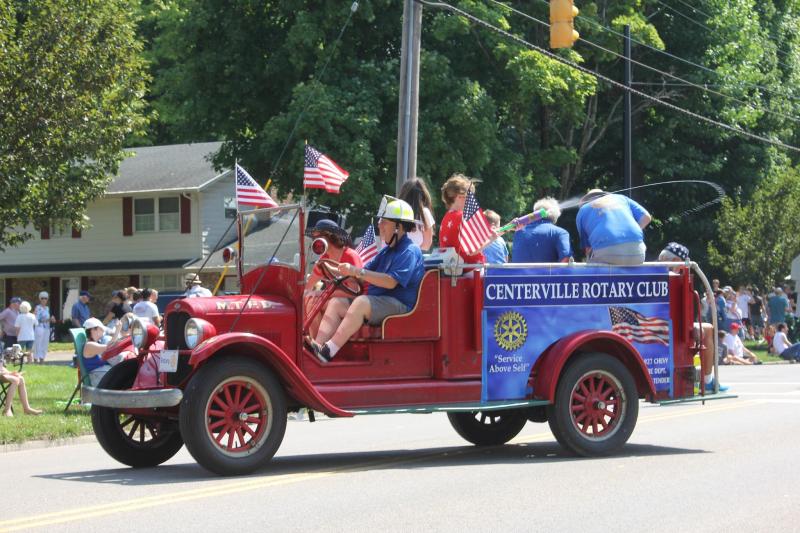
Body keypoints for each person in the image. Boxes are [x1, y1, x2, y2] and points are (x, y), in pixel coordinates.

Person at [306, 199, 424, 363]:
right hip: (380, 301)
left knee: (361, 302)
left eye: (384, 222)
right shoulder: (387, 251)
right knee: (337, 303)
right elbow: (360, 274)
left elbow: (390, 282)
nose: (380, 225)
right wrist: (334, 268)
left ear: (398, 226)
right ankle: (317, 348)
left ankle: (328, 350)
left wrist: (356, 271)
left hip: (400, 305)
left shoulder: (410, 250)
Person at [658, 243, 728, 391]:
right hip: (671, 327)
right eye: (683, 263)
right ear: (676, 260)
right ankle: (707, 380)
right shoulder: (674, 278)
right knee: (708, 328)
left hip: (661, 323)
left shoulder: (649, 272)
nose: (684, 267)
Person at [304, 219, 363, 337]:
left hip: (355, 302)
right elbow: (308, 286)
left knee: (314, 301)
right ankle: (307, 340)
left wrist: (322, 294)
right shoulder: (324, 258)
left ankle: (315, 345)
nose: (315, 241)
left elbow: (355, 291)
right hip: (336, 299)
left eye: (318, 237)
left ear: (330, 237)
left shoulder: (350, 255)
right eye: (314, 238)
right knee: (307, 299)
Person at [576, 189, 651, 265]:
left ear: (586, 200)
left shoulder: (583, 210)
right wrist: (633, 232)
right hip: (638, 253)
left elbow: (588, 249)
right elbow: (647, 217)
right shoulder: (622, 198)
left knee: (590, 266)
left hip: (608, 254)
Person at [438, 174, 489, 263]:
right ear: (460, 196)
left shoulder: (447, 217)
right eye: (470, 196)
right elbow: (473, 250)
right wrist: (492, 237)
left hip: (456, 271)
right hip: (470, 271)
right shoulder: (462, 216)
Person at [511, 197, 572, 263]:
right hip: (547, 273)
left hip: (519, 273)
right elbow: (565, 258)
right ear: (555, 214)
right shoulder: (561, 233)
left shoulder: (519, 233)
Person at [82, 317, 127, 386]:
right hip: (99, 379)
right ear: (94, 330)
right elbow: (109, 348)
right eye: (101, 329)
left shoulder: (95, 343)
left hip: (104, 376)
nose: (103, 332)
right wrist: (117, 331)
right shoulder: (89, 345)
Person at [398, 178, 436, 252]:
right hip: (413, 259)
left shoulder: (395, 211)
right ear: (423, 195)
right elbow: (426, 244)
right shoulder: (425, 213)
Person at [32, 291, 54, 364]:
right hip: (39, 328)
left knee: (45, 344)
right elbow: (37, 319)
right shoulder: (38, 308)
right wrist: (48, 319)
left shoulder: (47, 308)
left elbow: (48, 318)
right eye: (42, 298)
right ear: (40, 299)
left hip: (46, 328)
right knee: (38, 343)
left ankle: (42, 359)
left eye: (46, 298)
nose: (44, 300)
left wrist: (52, 319)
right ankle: (35, 359)